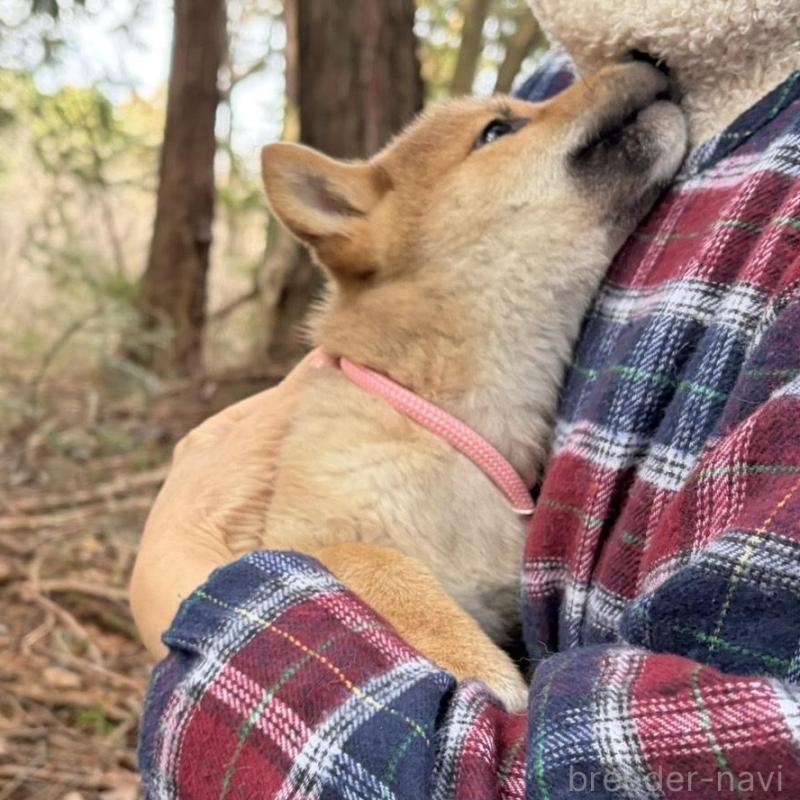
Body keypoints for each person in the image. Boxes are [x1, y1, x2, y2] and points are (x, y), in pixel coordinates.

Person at [131, 1, 800, 796]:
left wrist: (189, 582)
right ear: (359, 220)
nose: (589, 92)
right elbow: (314, 558)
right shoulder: (346, 435)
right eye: (499, 132)